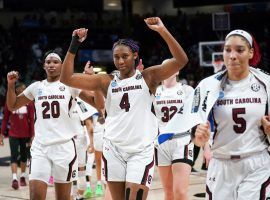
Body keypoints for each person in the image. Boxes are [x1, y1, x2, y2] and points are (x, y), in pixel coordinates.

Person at [60, 17, 189, 200]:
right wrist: (74, 44)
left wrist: (162, 30)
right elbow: (66, 79)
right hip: (113, 149)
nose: (120, 61)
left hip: (140, 151)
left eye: (125, 56)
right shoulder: (106, 81)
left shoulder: (148, 77)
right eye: (116, 57)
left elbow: (181, 60)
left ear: (135, 55)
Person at [6, 50, 104, 200]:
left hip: (64, 148)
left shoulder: (72, 86)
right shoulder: (36, 87)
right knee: (36, 196)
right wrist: (11, 85)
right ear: (44, 66)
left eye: (55, 62)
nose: (51, 65)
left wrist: (95, 82)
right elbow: (12, 105)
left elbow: (98, 103)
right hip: (40, 147)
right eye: (48, 62)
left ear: (62, 65)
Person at [190, 29, 270, 199]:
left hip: (256, 162)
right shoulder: (207, 86)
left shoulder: (266, 83)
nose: (232, 55)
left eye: (239, 50)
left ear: (251, 52)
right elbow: (195, 133)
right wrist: (200, 140)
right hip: (220, 163)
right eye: (227, 50)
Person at [153, 62, 194, 200]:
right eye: (165, 67)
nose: (168, 70)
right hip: (161, 144)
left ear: (177, 71)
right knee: (168, 193)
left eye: (172, 67)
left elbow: (199, 118)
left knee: (180, 192)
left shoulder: (187, 90)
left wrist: (206, 146)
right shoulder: (155, 91)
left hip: (182, 140)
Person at [1, 82, 34, 190]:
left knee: (24, 156)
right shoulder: (10, 102)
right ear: (17, 90)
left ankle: (23, 176)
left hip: (26, 134)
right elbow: (5, 119)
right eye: (23, 89)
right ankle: (14, 178)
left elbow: (32, 120)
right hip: (13, 134)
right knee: (14, 156)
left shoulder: (29, 103)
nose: (25, 90)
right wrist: (1, 133)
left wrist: (32, 135)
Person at [71, 96, 97, 200]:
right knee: (81, 169)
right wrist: (92, 143)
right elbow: (89, 125)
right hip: (79, 139)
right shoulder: (80, 102)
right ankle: (79, 194)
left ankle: (73, 195)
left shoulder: (62, 100)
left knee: (68, 171)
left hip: (65, 140)